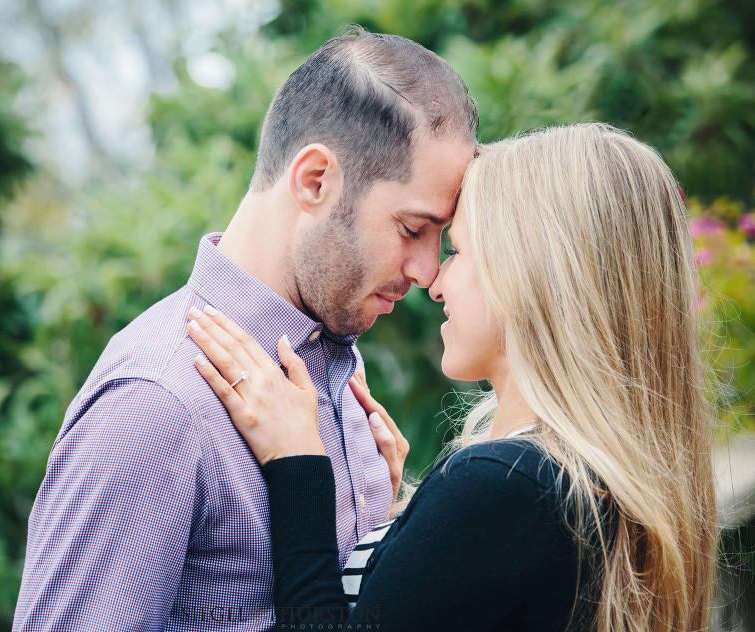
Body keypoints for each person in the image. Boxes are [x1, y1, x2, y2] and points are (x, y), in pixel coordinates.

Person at [12, 28, 478, 631]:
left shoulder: (338, 367)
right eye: (413, 229)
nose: (425, 270)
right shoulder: (157, 399)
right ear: (315, 180)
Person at [188, 123, 717, 631]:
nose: (434, 281)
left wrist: (297, 466)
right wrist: (403, 528)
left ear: (534, 274)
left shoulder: (506, 487)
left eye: (458, 251)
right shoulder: (578, 481)